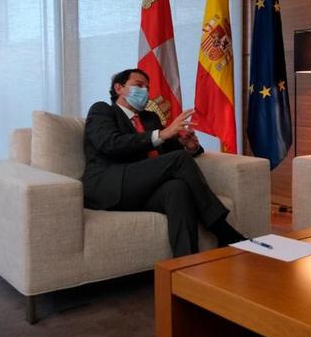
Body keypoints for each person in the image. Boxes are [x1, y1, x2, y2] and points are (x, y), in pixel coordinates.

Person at [81, 68, 244, 256]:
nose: (144, 92)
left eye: (147, 88)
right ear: (119, 88)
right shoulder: (102, 111)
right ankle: (220, 228)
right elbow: (110, 144)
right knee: (178, 161)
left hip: (141, 189)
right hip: (109, 184)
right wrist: (163, 134)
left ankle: (186, 265)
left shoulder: (150, 118)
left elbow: (170, 155)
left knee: (177, 189)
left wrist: (189, 147)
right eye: (138, 85)